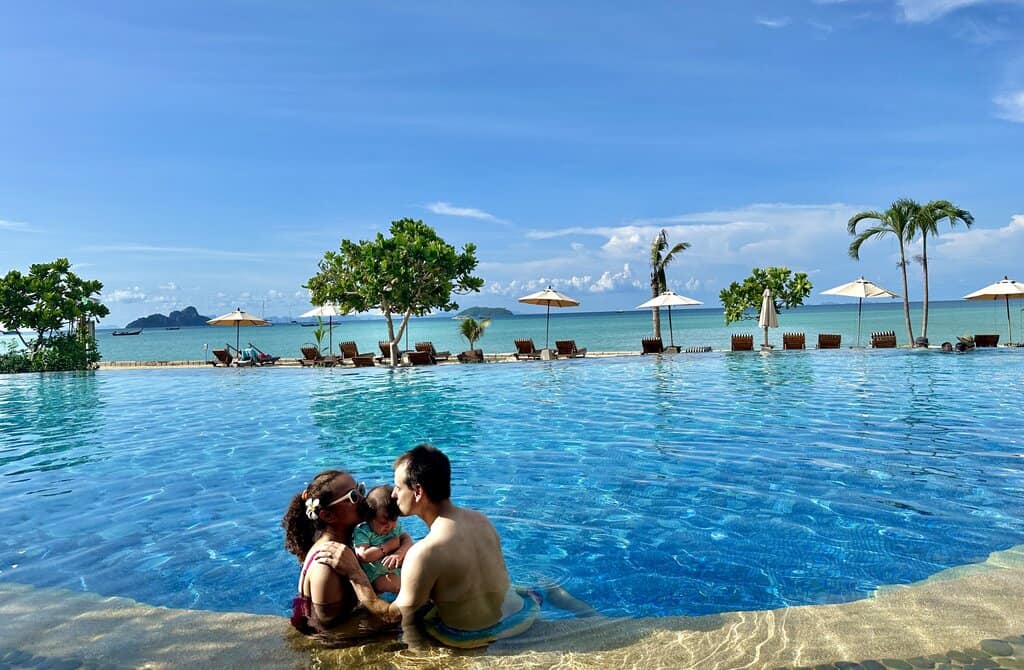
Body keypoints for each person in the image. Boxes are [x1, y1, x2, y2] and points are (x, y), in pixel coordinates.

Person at [318, 444, 542, 648]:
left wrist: (356, 574)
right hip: (521, 616)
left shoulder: (424, 552)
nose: (394, 495)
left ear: (417, 491)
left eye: (398, 487)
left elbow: (392, 615)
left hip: (471, 637)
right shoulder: (480, 519)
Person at [280, 469, 369, 634]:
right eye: (354, 497)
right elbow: (332, 632)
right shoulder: (326, 565)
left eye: (361, 490)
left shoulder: (342, 548)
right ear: (328, 516)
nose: (364, 499)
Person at [353, 485, 414, 595]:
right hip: (377, 576)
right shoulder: (363, 531)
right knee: (395, 585)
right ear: (369, 518)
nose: (389, 526)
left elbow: (408, 540)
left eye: (394, 520)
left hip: (396, 568)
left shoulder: (395, 527)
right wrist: (386, 547)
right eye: (383, 522)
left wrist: (398, 554)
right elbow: (363, 556)